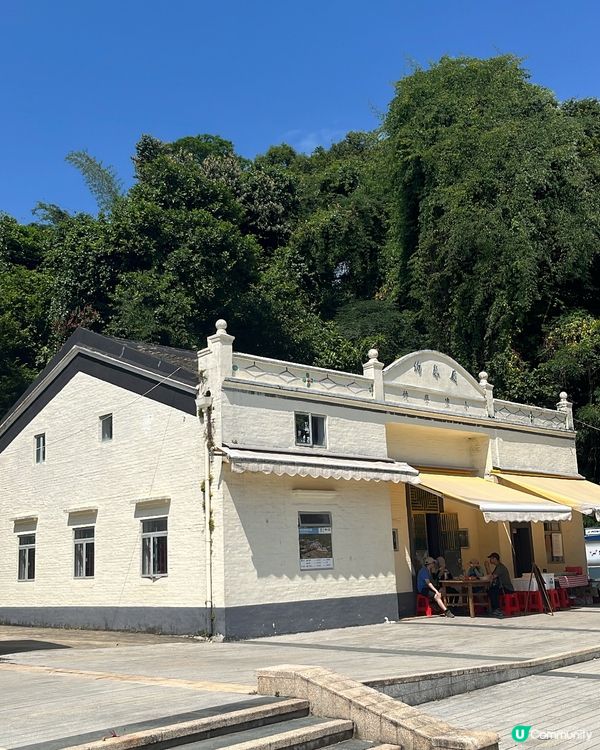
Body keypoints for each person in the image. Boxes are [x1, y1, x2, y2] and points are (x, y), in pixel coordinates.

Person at [487, 552, 514, 618]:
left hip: (506, 588)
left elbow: (492, 577)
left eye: (491, 558)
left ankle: (497, 609)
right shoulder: (497, 567)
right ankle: (493, 608)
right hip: (501, 587)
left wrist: (487, 567)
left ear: (495, 559)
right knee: (489, 590)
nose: (490, 560)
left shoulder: (500, 567)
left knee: (493, 591)